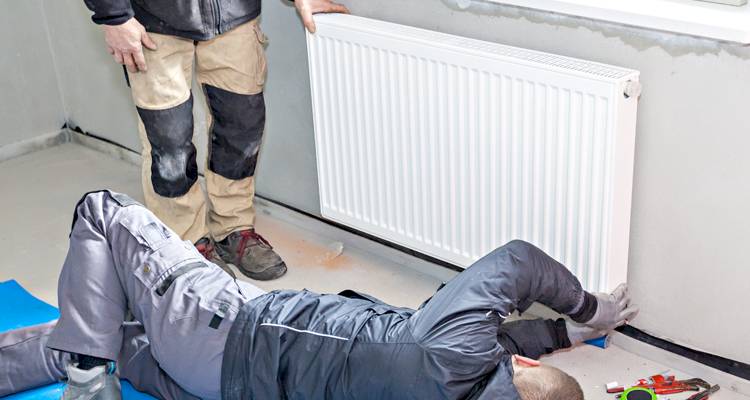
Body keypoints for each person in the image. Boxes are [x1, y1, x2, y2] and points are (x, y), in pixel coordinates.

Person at [0, 191, 638, 400]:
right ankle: (84, 354)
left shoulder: (445, 348)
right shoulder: (458, 376)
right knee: (101, 327)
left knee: (104, 212)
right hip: (223, 388)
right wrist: (558, 335)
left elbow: (520, 262)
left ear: (519, 366)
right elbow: (489, 358)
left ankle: (87, 378)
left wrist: (587, 309)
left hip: (226, 330)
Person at [81, 0, 348, 280]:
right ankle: (184, 242)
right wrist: (115, 18)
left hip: (234, 16)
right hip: (154, 21)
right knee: (169, 142)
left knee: (242, 127)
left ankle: (233, 228)